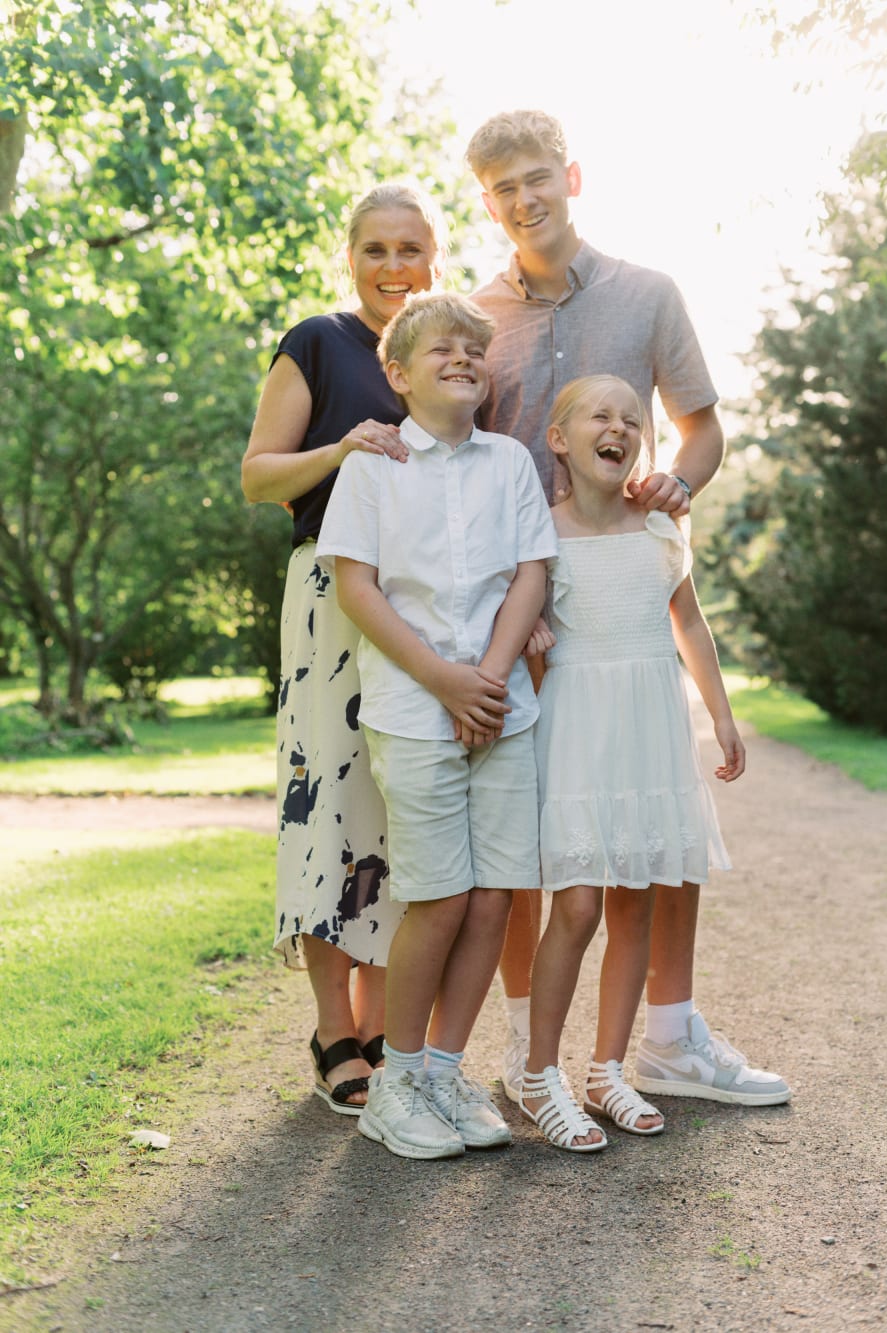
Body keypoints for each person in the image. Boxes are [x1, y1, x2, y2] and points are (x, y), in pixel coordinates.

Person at [465, 109, 790, 1109]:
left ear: (571, 175)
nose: (525, 200)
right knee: (535, 841)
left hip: (625, 589)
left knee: (659, 826)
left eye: (537, 178)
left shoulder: (650, 294)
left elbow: (701, 429)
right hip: (522, 602)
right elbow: (463, 453)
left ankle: (667, 1038)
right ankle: (533, 1053)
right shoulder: (476, 314)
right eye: (503, 187)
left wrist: (678, 488)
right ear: (486, 200)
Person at [317, 291, 559, 1160]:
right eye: (440, 350)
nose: (462, 358)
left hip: (502, 707)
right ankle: (397, 1081)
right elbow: (358, 589)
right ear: (397, 373)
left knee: (496, 893)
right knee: (441, 894)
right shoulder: (374, 468)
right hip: (415, 711)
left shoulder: (507, 463)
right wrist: (445, 683)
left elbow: (531, 573)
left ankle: (446, 1070)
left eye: (472, 349)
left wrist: (486, 682)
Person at [241, 183, 445, 1116]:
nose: (394, 267)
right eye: (376, 249)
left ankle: (375, 1020)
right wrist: (343, 448)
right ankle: (332, 1028)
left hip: (426, 599)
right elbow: (256, 475)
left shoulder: (448, 343)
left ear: (434, 256)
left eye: (410, 249)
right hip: (329, 594)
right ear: (349, 258)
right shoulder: (317, 342)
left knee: (398, 807)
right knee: (328, 798)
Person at [521, 375, 745, 1153]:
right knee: (577, 907)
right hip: (583, 735)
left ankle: (607, 1069)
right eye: (598, 417)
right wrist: (527, 636)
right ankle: (538, 1073)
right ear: (560, 440)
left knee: (637, 904)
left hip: (651, 734)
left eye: (631, 420)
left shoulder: (659, 532)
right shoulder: (541, 535)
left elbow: (689, 623)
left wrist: (719, 715)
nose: (618, 428)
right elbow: (515, 621)